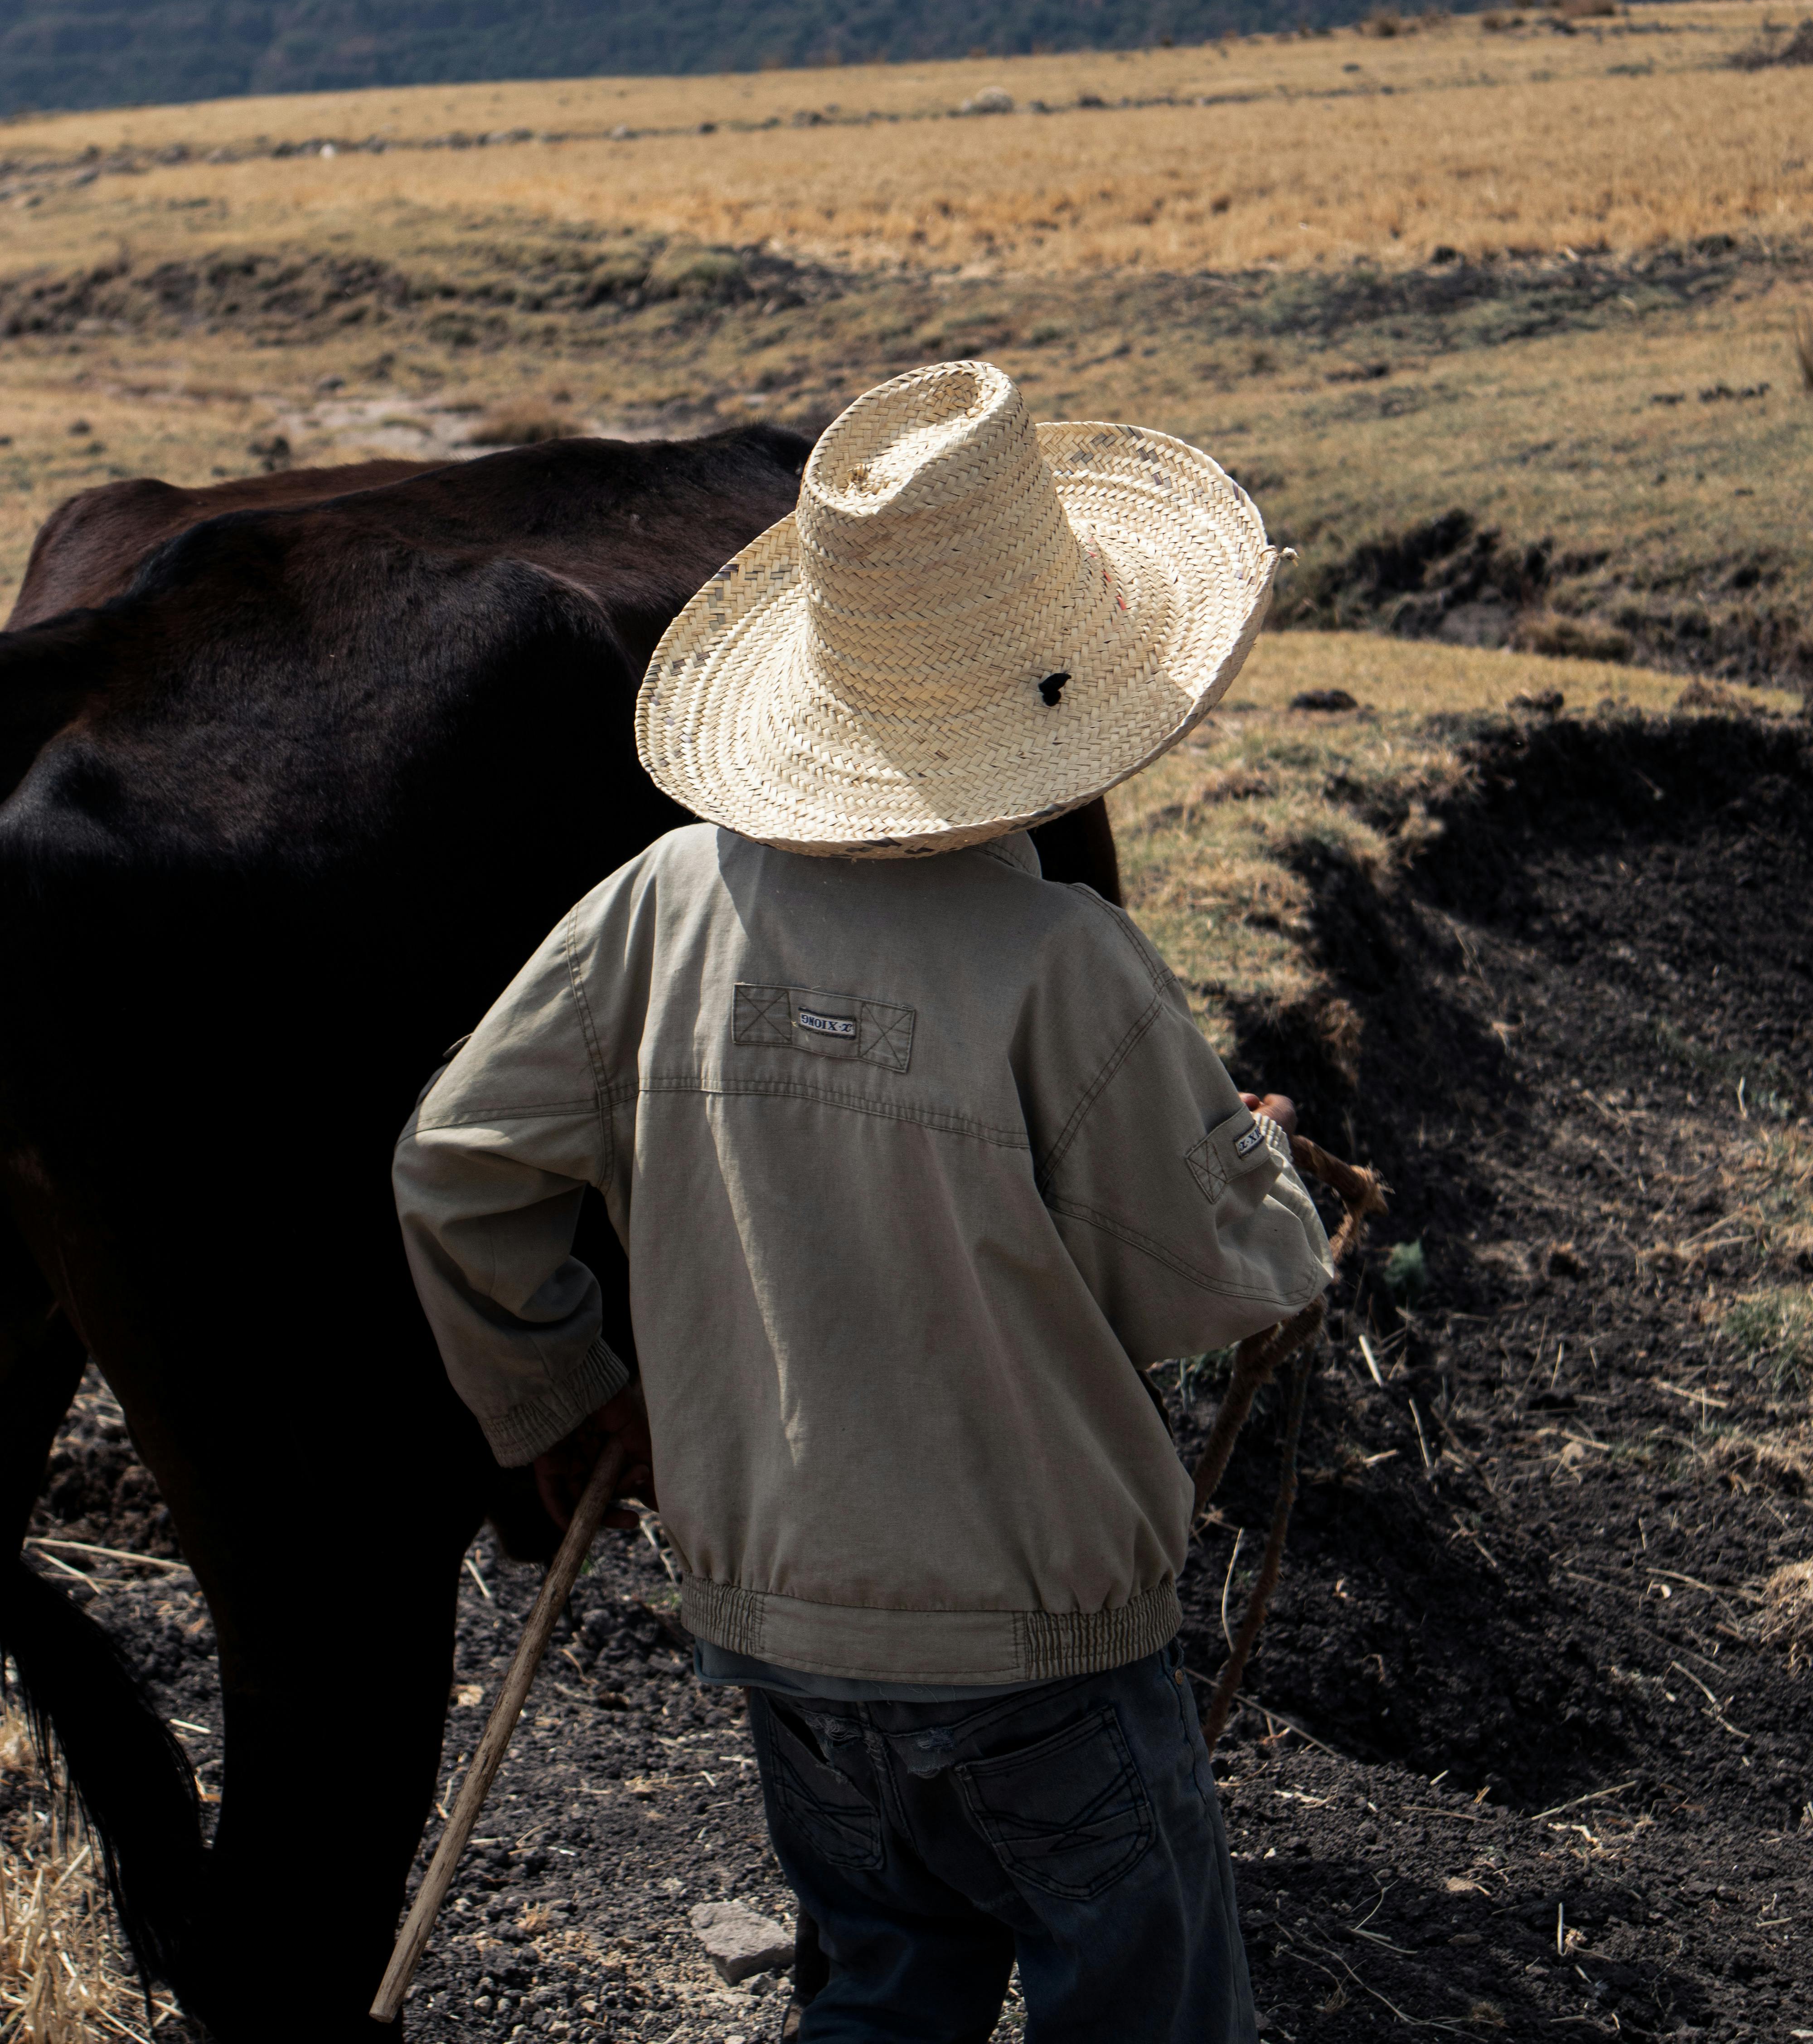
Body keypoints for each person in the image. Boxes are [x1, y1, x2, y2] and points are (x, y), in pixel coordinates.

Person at [393, 360, 1332, 2044]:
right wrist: (1250, 1156)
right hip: (1043, 1651)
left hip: (788, 1642)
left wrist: (563, 1397)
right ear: (1074, 687)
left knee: (885, 1992)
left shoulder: (662, 906)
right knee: (1153, 2011)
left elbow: (453, 1167)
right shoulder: (1067, 968)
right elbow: (1226, 1280)